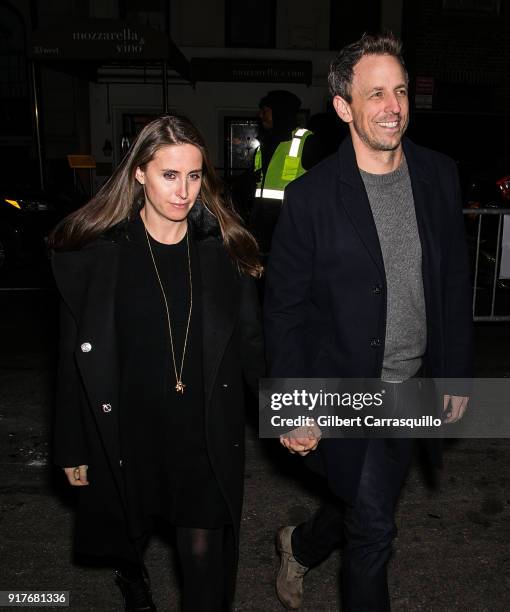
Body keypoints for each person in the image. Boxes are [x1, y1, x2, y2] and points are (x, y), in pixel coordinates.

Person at [263, 33, 473, 610]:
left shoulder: (439, 175)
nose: (393, 106)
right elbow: (284, 310)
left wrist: (454, 373)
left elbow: (453, 281)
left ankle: (300, 546)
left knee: (361, 504)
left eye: (400, 91)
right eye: (376, 93)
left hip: (409, 387)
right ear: (343, 106)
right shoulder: (310, 198)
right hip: (340, 390)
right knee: (376, 528)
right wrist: (292, 403)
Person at [49, 115, 265, 612]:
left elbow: (252, 348)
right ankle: (131, 575)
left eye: (194, 176)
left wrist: (290, 412)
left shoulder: (224, 252)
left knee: (205, 558)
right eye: (170, 175)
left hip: (202, 432)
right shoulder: (99, 257)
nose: (184, 191)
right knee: (128, 529)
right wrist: (71, 445)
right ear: (140, 173)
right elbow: (72, 360)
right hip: (129, 427)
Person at [249, 89, 322, 256]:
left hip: (293, 236)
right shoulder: (262, 146)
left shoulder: (307, 142)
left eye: (265, 111)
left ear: (279, 111)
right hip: (262, 237)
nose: (261, 116)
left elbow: (322, 191)